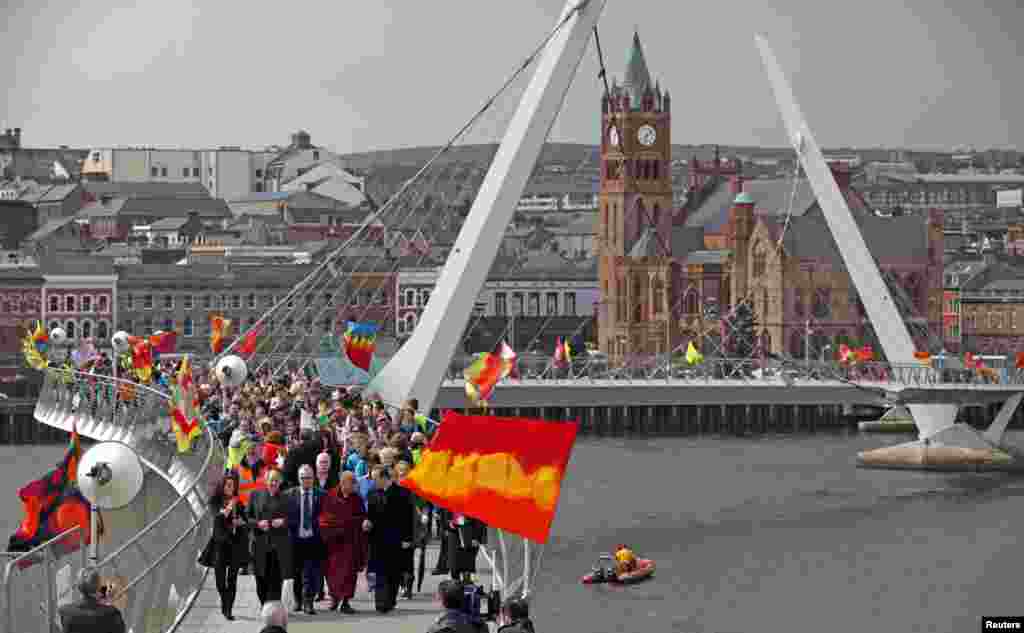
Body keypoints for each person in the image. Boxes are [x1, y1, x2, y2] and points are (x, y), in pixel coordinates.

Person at [365, 466, 415, 613]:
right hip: (378, 539)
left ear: (385, 478)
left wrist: (408, 538)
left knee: (393, 572)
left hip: (396, 539)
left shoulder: (402, 493)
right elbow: (371, 514)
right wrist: (367, 522)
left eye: (376, 479)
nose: (373, 482)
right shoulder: (372, 493)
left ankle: (390, 600)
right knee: (380, 572)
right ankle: (380, 602)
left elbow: (408, 518)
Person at [319, 471, 367, 613]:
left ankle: (345, 601)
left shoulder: (357, 499)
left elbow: (361, 516)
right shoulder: (331, 496)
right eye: (352, 483)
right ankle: (334, 598)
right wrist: (341, 524)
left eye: (354, 483)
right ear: (343, 483)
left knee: (349, 574)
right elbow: (325, 518)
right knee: (332, 572)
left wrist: (362, 522)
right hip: (334, 542)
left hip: (351, 542)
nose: (354, 486)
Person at [247, 469, 293, 606]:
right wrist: (257, 524)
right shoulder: (255, 495)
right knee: (260, 579)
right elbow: (246, 518)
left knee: (276, 579)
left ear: (280, 482)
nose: (273, 483)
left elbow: (293, 519)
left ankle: (272, 608)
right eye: (271, 480)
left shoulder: (286, 497)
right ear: (266, 481)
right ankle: (264, 605)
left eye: (276, 480)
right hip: (260, 545)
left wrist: (283, 522)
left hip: (277, 546)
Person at [286, 464, 326, 615]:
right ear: (298, 479)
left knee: (310, 573)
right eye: (302, 478)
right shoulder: (290, 494)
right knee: (296, 572)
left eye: (308, 478)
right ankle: (298, 600)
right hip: (295, 540)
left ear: (313, 478)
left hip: (313, 540)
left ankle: (308, 602)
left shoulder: (321, 495)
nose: (305, 481)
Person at [210, 472, 249, 621]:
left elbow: (245, 519)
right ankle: (224, 600)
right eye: (227, 485)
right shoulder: (215, 501)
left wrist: (241, 522)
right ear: (222, 486)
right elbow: (218, 517)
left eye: (232, 486)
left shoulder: (238, 502)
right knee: (220, 581)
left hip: (235, 544)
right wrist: (229, 507)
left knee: (232, 579)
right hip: (220, 544)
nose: (230, 488)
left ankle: (228, 609)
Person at [58, 567, 126, 633]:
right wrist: (110, 602)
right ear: (99, 586)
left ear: (78, 587)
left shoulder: (65, 612)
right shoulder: (111, 614)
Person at [446, 511, 486, 582]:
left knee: (467, 568)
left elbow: (481, 520)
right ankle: (456, 588)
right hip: (455, 537)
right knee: (455, 568)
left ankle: (466, 586)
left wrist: (477, 537)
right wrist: (449, 524)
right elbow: (447, 516)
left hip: (470, 536)